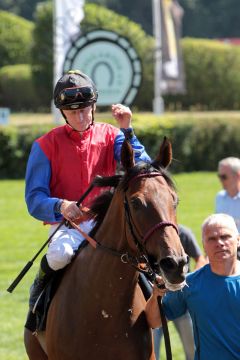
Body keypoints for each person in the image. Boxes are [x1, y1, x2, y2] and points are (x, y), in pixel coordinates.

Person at [25, 69, 151, 312]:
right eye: (73, 112)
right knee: (60, 254)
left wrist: (127, 129)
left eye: (85, 110)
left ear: (93, 107)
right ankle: (40, 287)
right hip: (68, 224)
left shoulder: (112, 135)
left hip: (108, 221)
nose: (81, 117)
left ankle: (156, 300)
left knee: (144, 251)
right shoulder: (44, 145)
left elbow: (141, 166)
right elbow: (34, 199)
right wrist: (60, 206)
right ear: (63, 113)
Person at [146, 213, 240, 360]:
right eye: (212, 239)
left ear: (238, 240)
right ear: (203, 245)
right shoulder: (190, 284)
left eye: (225, 237)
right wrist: (156, 295)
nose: (220, 243)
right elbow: (154, 321)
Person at [153, 224, 207, 360]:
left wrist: (191, 281)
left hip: (181, 297)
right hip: (155, 299)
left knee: (191, 348)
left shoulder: (183, 233)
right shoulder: (150, 235)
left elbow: (200, 258)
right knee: (152, 350)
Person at [215, 157, 240, 233]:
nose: (220, 180)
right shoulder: (219, 197)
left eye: (224, 177)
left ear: (238, 175)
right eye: (219, 176)